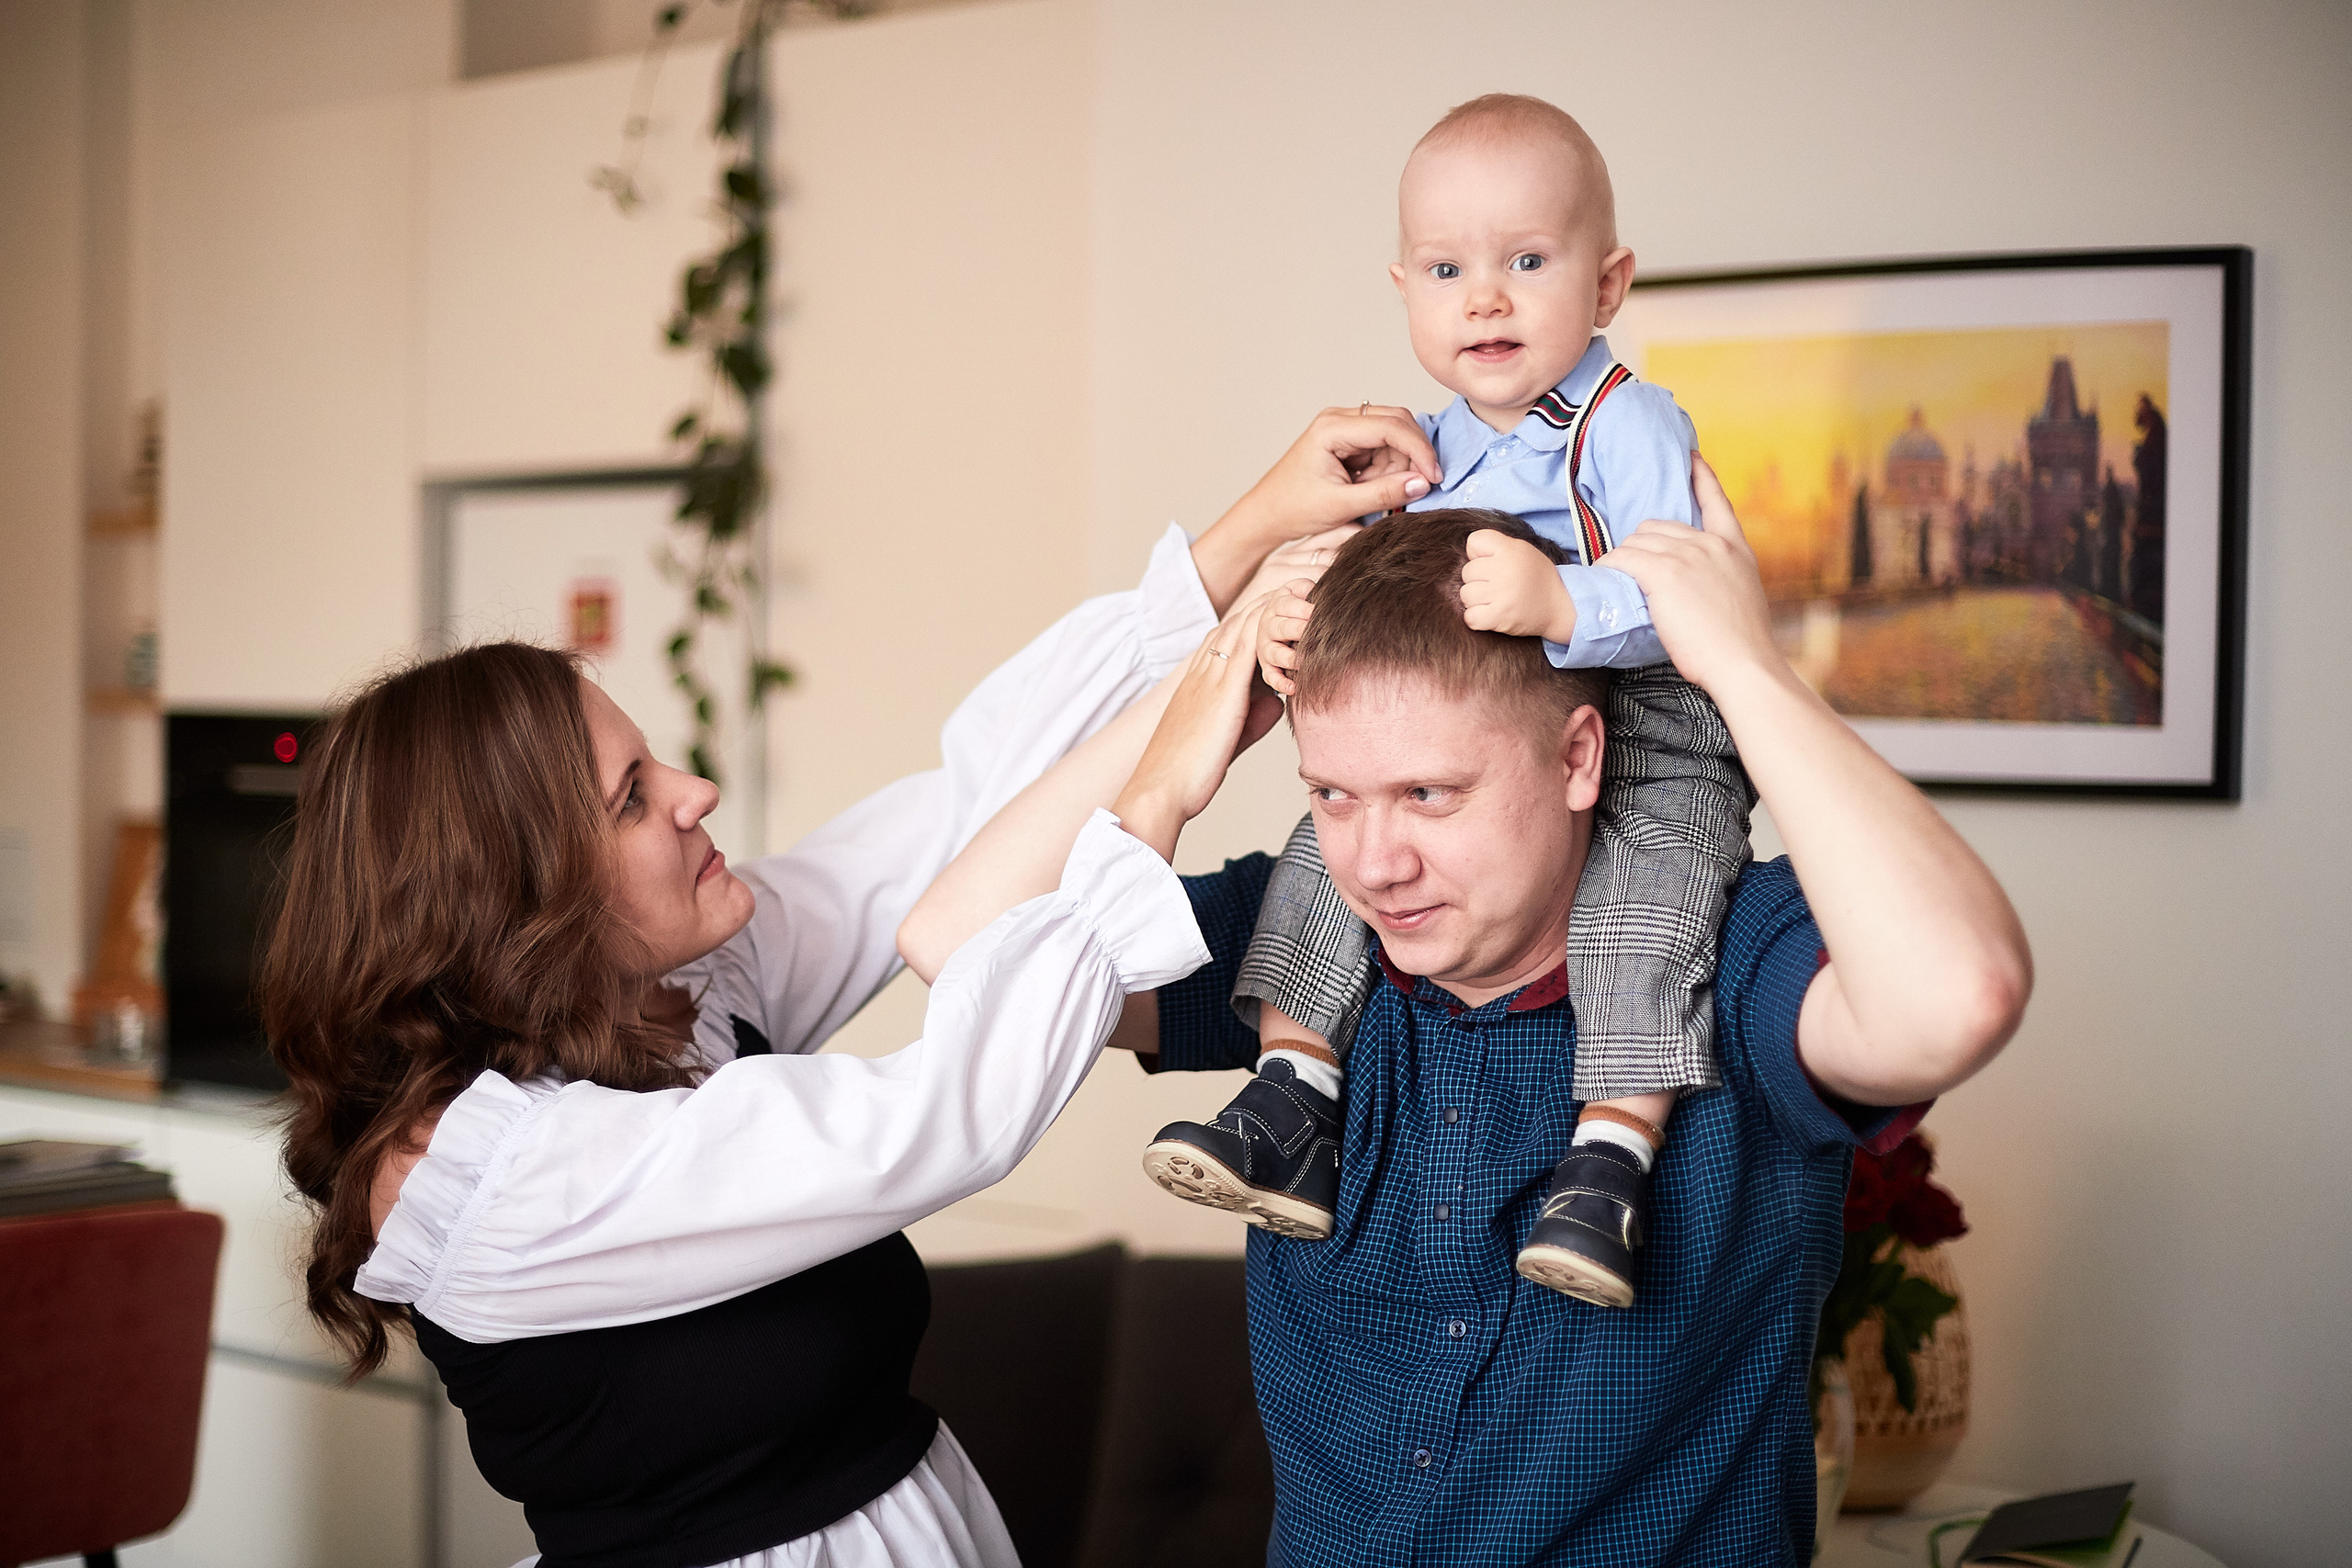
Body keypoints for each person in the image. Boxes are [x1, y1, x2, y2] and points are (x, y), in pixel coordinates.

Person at [258, 402, 1437, 1568]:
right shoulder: (505, 1185)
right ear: (518, 901)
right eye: (631, 797)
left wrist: (1245, 536)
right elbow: (941, 1117)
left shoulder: (679, 998)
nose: (697, 790)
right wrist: (1163, 783)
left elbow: (957, 812)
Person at [903, 469, 2030, 1563]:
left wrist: (1744, 669)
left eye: (1429, 795)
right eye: (1331, 794)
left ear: (1579, 758)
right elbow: (957, 948)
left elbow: (1957, 998)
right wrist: (1184, 724)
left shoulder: (1733, 957)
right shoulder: (1298, 941)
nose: (1375, 864)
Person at [1139, 92, 1748, 1310]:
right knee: (1329, 851)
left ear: (1608, 281)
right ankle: (1295, 1092)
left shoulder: (1627, 425)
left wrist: (1566, 602)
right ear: (1404, 285)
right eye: (1448, 267)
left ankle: (1612, 1153)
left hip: (1646, 712)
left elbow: (1684, 587)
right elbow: (1387, 620)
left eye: (1528, 261)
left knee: (1655, 887)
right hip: (1477, 722)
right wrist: (1316, 582)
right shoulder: (1417, 445)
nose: (1486, 296)